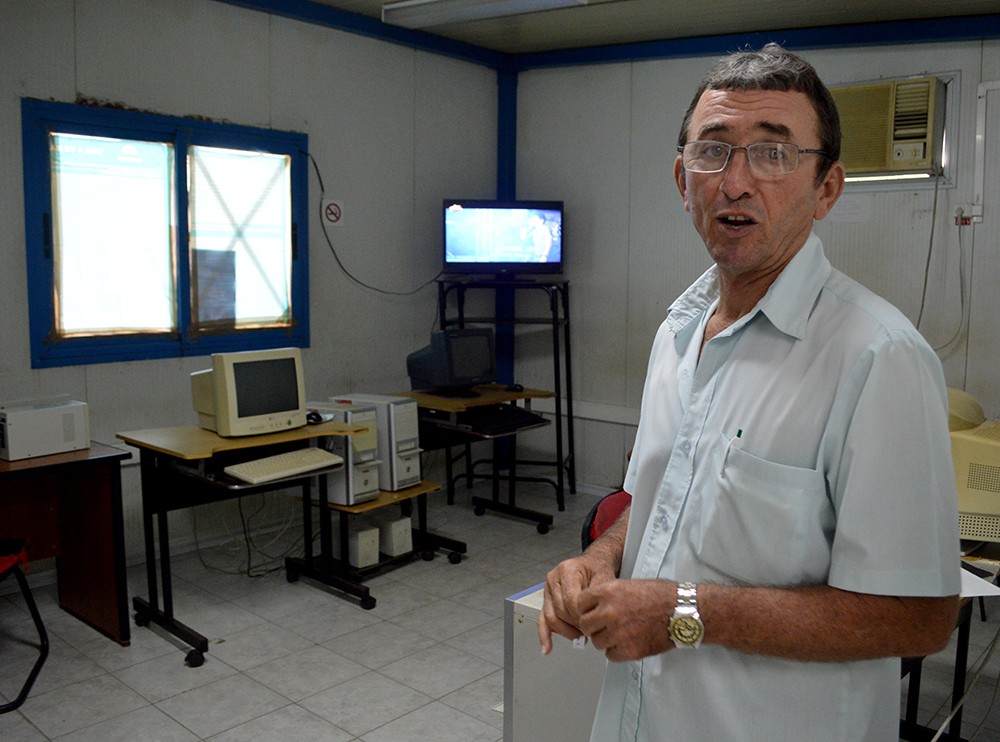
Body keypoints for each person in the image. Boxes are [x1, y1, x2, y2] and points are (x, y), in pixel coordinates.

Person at [538, 43, 961, 741]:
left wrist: (684, 612)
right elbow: (659, 499)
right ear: (682, 179)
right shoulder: (677, 333)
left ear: (827, 188)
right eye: (714, 151)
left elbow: (919, 616)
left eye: (773, 154)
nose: (735, 183)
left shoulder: (878, 358)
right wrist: (598, 559)